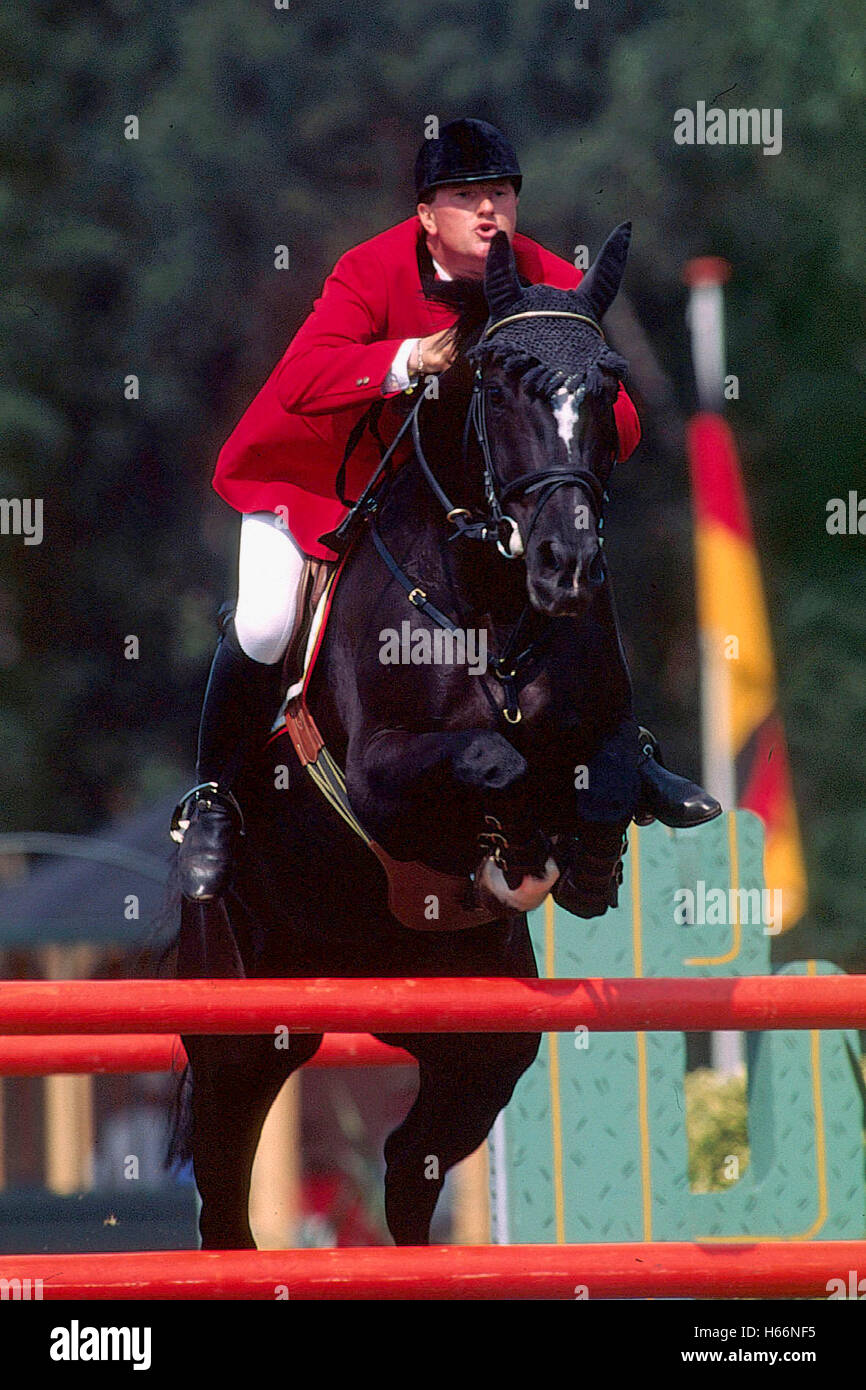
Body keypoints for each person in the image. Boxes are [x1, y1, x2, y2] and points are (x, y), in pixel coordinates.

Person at [175, 118, 719, 902]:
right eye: (467, 198)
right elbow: (301, 382)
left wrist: (591, 394)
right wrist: (407, 359)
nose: (489, 212)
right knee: (264, 621)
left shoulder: (535, 279)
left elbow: (609, 422)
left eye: (500, 194)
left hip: (437, 501)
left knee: (569, 560)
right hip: (316, 479)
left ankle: (626, 753)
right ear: (427, 214)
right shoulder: (369, 271)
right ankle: (213, 800)